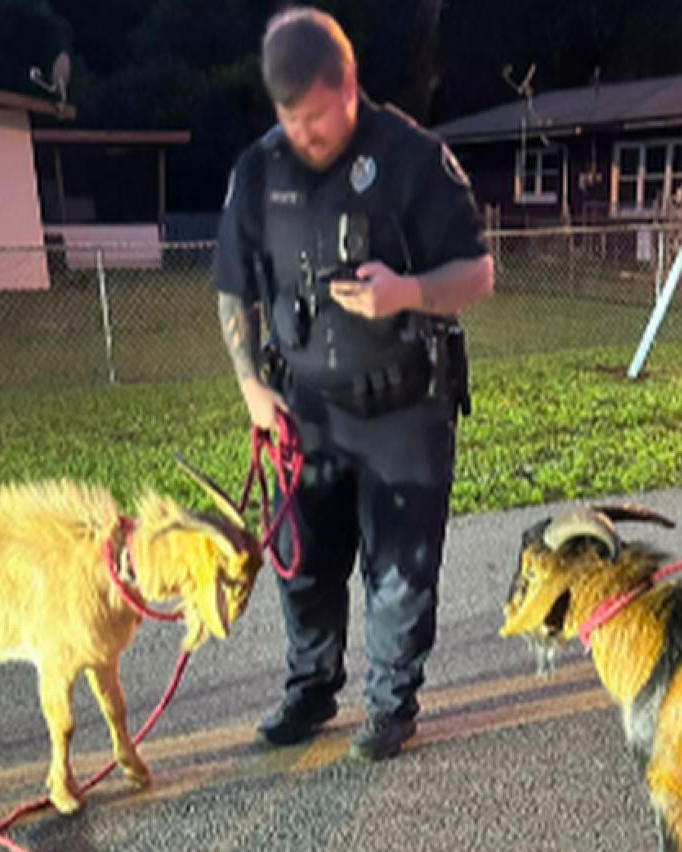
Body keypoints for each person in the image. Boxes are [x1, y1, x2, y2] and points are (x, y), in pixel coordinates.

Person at [213, 6, 494, 761]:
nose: (302, 133)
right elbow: (233, 289)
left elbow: (478, 273)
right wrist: (249, 385)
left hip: (405, 407)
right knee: (304, 568)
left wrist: (405, 292)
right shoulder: (258, 171)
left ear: (348, 87)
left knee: (400, 575)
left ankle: (391, 703)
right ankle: (310, 691)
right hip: (305, 410)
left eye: (314, 116)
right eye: (288, 116)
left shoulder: (410, 158)